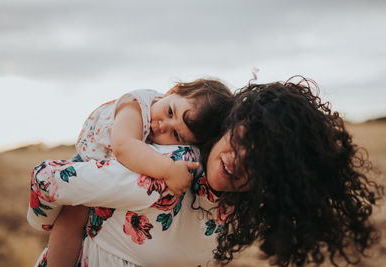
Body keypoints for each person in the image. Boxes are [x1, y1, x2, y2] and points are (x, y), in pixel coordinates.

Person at [28, 76, 383, 267]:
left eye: (260, 162)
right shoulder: (170, 169)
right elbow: (46, 179)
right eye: (246, 138)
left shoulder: (237, 209)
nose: (240, 159)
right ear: (236, 121)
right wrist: (48, 220)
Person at [47, 78, 234, 267]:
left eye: (176, 135)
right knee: (71, 217)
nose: (162, 126)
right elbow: (123, 147)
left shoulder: (165, 122)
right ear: (173, 90)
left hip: (114, 170)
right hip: (88, 161)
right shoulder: (136, 106)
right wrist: (168, 170)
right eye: (170, 112)